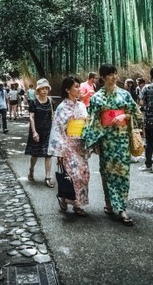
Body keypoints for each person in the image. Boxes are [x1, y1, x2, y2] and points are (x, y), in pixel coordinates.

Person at [82, 64, 140, 226]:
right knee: (107, 173)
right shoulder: (96, 98)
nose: (114, 77)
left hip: (121, 140)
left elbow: (137, 113)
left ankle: (121, 208)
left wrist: (124, 117)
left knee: (123, 174)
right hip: (106, 141)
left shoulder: (125, 94)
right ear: (103, 77)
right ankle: (108, 201)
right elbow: (92, 121)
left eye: (115, 74)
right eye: (110, 74)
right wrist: (93, 141)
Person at [48, 76, 90, 216]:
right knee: (73, 175)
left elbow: (87, 125)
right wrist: (59, 152)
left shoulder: (81, 105)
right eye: (76, 87)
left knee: (84, 174)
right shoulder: (62, 108)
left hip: (80, 146)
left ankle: (76, 203)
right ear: (67, 89)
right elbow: (57, 129)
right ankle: (69, 201)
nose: (79, 89)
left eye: (79, 86)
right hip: (68, 146)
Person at [25, 78, 54, 187]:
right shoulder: (33, 102)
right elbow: (31, 118)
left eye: (46, 88)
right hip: (37, 130)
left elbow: (53, 116)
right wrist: (34, 132)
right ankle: (31, 170)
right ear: (38, 90)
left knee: (48, 154)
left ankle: (47, 177)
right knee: (35, 154)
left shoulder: (51, 101)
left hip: (48, 131)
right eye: (42, 88)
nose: (45, 90)